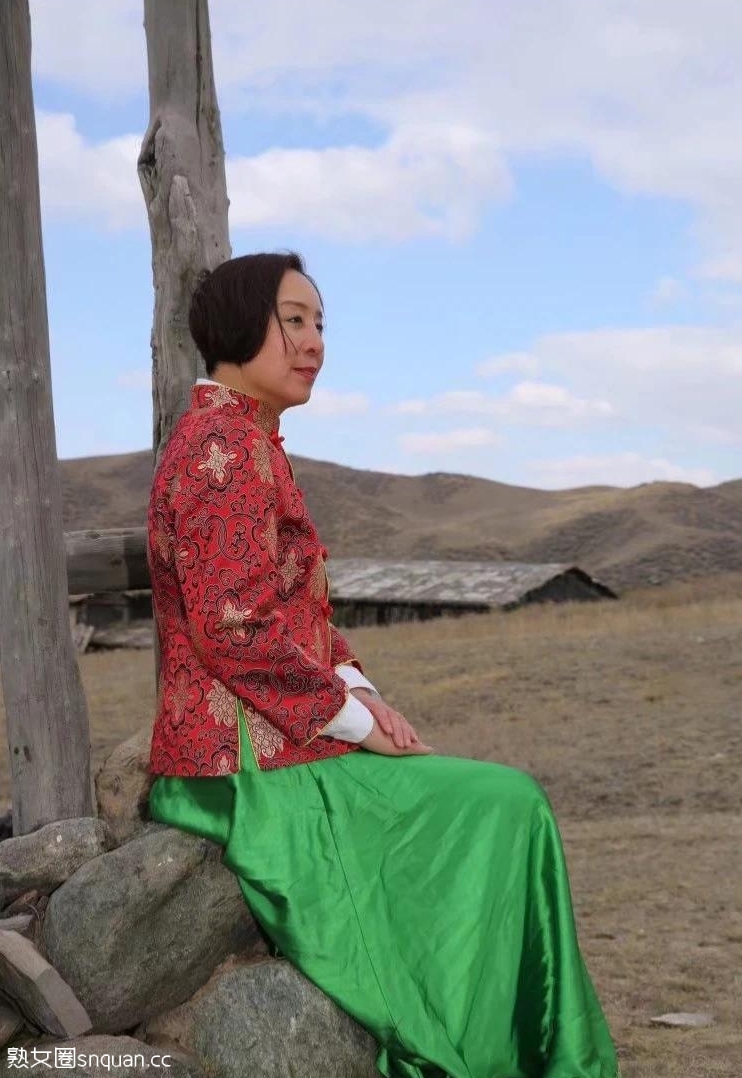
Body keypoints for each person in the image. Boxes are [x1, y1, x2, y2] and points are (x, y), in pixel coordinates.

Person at [147, 252, 619, 1078]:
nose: (314, 342)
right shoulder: (223, 446)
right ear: (238, 324)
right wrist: (352, 722)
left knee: (499, 805)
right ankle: (506, 1053)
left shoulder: (249, 440)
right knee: (505, 806)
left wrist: (364, 698)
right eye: (293, 321)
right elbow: (236, 629)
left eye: (319, 324)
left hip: (279, 746)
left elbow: (297, 616)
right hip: (243, 770)